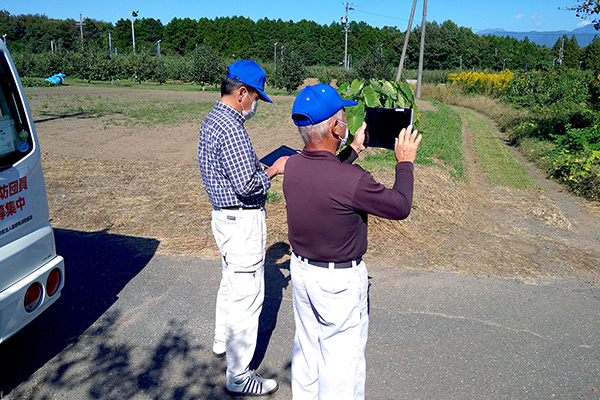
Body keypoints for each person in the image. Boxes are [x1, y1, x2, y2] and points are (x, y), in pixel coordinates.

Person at [283, 83, 422, 399]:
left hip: (303, 273)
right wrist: (405, 162)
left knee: (308, 349)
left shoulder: (292, 166)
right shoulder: (354, 181)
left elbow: (325, 172)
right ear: (335, 126)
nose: (346, 123)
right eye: (343, 117)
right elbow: (400, 206)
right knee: (342, 366)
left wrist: (354, 149)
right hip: (338, 284)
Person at [197, 60, 287, 396]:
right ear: (241, 93)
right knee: (247, 297)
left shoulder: (213, 120)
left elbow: (230, 169)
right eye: (255, 99)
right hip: (241, 220)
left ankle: (222, 341)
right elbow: (249, 186)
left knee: (230, 282)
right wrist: (274, 170)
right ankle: (239, 375)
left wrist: (255, 165)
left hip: (223, 217)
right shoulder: (233, 127)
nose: (255, 106)